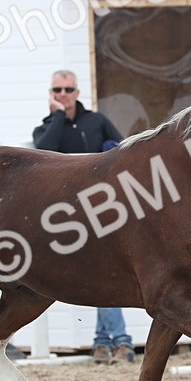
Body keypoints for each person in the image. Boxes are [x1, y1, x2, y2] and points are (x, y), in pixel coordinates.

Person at [31, 69, 134, 365]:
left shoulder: (98, 122)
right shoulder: (46, 127)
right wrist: (59, 117)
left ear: (77, 92)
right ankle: (111, 342)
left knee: (106, 270)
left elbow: (125, 148)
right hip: (65, 212)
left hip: (103, 206)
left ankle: (111, 342)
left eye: (68, 90)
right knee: (104, 271)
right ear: (52, 94)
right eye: (57, 90)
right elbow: (43, 152)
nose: (62, 94)